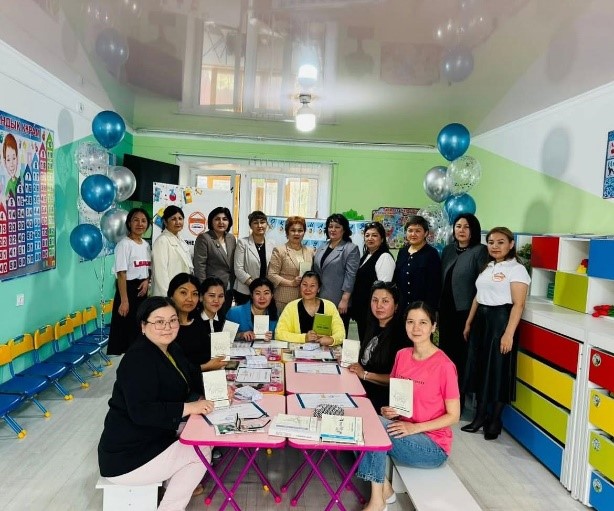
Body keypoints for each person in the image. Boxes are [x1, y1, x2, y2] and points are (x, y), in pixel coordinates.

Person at [98, 297, 215, 511]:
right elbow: (142, 411)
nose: (167, 327)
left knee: (206, 429)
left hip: (151, 435)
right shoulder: (138, 359)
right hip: (127, 456)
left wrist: (218, 389)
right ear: (143, 326)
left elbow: (191, 375)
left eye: (172, 320)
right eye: (159, 322)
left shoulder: (170, 349)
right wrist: (189, 407)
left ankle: (172, 480)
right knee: (200, 451)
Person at [355, 301, 460, 511]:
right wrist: (389, 411)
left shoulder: (445, 366)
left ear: (433, 326)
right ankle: (385, 489)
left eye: (423, 322)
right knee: (362, 422)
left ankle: (377, 502)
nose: (416, 328)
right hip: (403, 431)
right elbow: (400, 399)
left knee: (373, 429)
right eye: (411, 322)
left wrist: (415, 428)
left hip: (432, 445)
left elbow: (454, 416)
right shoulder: (402, 355)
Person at [461, 227, 531, 440]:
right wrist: (469, 322)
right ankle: (480, 415)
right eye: (491, 242)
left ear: (511, 244)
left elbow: (518, 304)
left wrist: (508, 334)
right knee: (480, 368)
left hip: (500, 321)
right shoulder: (488, 266)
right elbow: (478, 296)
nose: (495, 246)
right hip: (481, 321)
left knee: (498, 370)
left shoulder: (517, 269)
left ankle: (494, 419)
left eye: (500, 242)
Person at [439, 213, 488, 412]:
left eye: (466, 227)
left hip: (466, 312)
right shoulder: (448, 250)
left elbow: (481, 285)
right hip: (446, 311)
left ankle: (457, 400)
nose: (461, 230)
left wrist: (471, 318)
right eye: (458, 226)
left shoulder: (480, 251)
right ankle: (443, 396)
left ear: (473, 230)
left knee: (462, 357)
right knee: (445, 354)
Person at [348, 281, 410, 412]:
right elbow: (365, 362)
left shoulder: (402, 335)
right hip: (361, 388)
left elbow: (399, 380)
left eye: (385, 301)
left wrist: (365, 375)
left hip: (383, 401)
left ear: (396, 305)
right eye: (375, 300)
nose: (379, 305)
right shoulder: (371, 326)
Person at [107, 208, 152, 356]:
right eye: (136, 220)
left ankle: (138, 361)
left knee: (140, 331)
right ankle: (129, 365)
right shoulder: (124, 244)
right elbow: (121, 274)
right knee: (126, 335)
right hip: (127, 291)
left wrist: (146, 281)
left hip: (142, 292)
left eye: (143, 221)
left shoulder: (145, 245)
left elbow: (147, 268)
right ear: (129, 223)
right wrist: (124, 301)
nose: (140, 224)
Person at [167, 273, 227, 372]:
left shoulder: (197, 322)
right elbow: (172, 369)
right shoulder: (167, 328)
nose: (190, 299)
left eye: (194, 294)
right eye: (183, 293)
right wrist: (206, 367)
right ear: (171, 295)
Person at [313, 213, 360, 334]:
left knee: (336, 336)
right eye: (330, 226)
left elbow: (351, 275)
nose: (333, 230)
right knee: (320, 334)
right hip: (320, 299)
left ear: (344, 230)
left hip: (338, 301)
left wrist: (345, 299)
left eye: (337, 227)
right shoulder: (323, 246)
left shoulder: (350, 248)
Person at [351, 221, 396, 341]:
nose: (370, 238)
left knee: (372, 344)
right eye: (367, 235)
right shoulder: (366, 256)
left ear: (382, 239)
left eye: (374, 235)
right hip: (363, 311)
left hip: (374, 312)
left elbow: (384, 289)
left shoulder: (384, 257)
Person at [275, 271, 345, 346]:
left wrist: (332, 340)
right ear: (300, 286)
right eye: (304, 285)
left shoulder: (329, 306)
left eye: (312, 286)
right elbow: (279, 333)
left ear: (318, 289)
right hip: (299, 352)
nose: (308, 289)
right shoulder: (291, 307)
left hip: (323, 351)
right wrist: (304, 338)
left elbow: (341, 333)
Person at [267, 216, 314, 315]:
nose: (296, 233)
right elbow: (271, 275)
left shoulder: (310, 251)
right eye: (293, 230)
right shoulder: (280, 250)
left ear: (304, 232)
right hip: (284, 299)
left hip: (304, 299)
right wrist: (291, 283)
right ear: (287, 233)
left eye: (300, 230)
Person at [193, 207, 236, 314]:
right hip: (211, 289)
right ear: (211, 221)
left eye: (225, 219)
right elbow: (199, 266)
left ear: (229, 222)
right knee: (210, 317)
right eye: (217, 219)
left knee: (224, 317)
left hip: (229, 287)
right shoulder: (204, 238)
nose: (221, 222)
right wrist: (204, 289)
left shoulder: (231, 238)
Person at [394, 215, 441, 313]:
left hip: (423, 308)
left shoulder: (431, 254)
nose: (413, 234)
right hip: (402, 308)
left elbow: (434, 287)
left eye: (418, 231)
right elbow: (397, 280)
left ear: (426, 233)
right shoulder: (402, 252)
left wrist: (428, 311)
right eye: (410, 230)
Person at [151, 205, 193, 297]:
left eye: (180, 218)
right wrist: (168, 296)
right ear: (165, 222)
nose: (178, 222)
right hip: (167, 295)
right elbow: (160, 273)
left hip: (181, 291)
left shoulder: (181, 241)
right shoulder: (162, 241)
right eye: (173, 219)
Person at [233, 211, 274, 305]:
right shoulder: (242, 243)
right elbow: (238, 269)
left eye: (262, 222)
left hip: (264, 292)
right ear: (250, 226)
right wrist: (254, 285)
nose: (259, 225)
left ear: (267, 224)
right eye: (255, 223)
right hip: (244, 291)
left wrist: (263, 289)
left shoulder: (272, 244)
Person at [2, 133, 20, 198]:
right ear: (5, 162)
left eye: (14, 158)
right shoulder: (9, 183)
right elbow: (6, 197)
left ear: (17, 159)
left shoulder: (19, 182)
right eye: (8, 160)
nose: (11, 164)